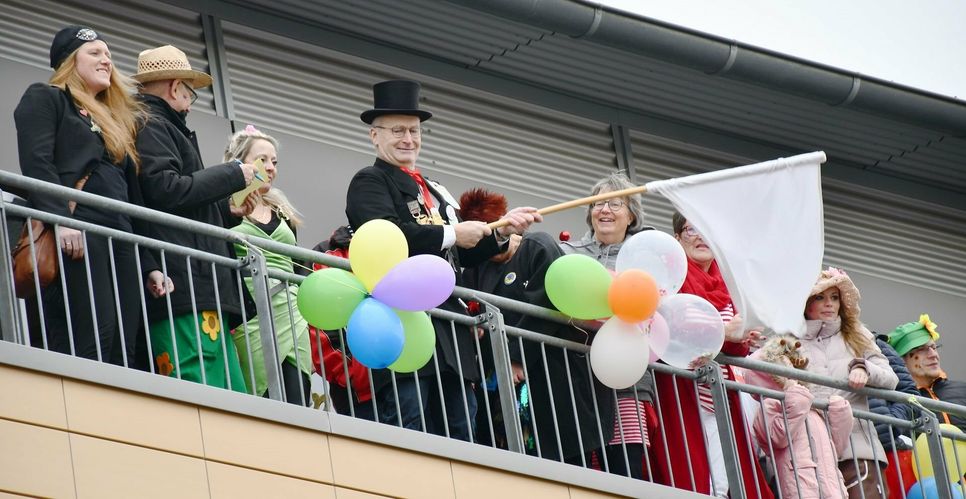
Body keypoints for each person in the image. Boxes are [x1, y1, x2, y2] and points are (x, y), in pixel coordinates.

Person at [344, 80, 540, 441]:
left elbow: (462, 252)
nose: (408, 139)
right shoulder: (369, 181)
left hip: (449, 326)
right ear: (375, 137)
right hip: (402, 318)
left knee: (461, 424)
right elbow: (385, 236)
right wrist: (453, 234)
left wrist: (500, 232)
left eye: (414, 130)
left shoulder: (432, 187)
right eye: (398, 130)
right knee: (412, 421)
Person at [14, 26, 146, 364]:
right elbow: (38, 164)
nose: (107, 61)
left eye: (109, 56)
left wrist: (151, 264)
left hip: (121, 235)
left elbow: (133, 196)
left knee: (124, 345)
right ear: (71, 61)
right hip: (80, 230)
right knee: (92, 338)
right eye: (96, 53)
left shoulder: (117, 119)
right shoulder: (47, 97)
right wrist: (62, 220)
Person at [133, 44, 256, 392]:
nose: (189, 105)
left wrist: (226, 211)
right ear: (174, 88)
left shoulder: (157, 124)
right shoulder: (152, 124)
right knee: (197, 379)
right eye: (190, 95)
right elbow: (166, 189)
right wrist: (232, 175)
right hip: (184, 281)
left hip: (196, 283)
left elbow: (181, 197)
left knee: (222, 383)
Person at [460, 187, 614, 461]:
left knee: (564, 458)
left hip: (552, 373)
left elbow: (548, 304)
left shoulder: (539, 246)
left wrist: (517, 357)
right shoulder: (476, 267)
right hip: (498, 382)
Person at [668, 212, 773, 498]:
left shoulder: (727, 284)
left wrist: (742, 337)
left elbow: (732, 347)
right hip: (683, 390)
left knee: (726, 476)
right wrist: (724, 331)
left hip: (719, 393)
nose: (701, 237)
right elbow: (672, 325)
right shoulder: (673, 274)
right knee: (696, 475)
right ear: (677, 238)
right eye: (691, 230)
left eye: (707, 230)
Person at [558, 173, 656, 479]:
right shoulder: (567, 254)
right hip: (575, 379)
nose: (605, 210)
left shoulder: (647, 257)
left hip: (625, 383)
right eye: (597, 203)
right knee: (583, 477)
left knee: (624, 471)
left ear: (632, 215)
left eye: (615, 204)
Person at [224, 125, 313, 405]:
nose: (271, 168)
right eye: (263, 160)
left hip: (291, 312)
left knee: (297, 394)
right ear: (241, 164)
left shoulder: (282, 212)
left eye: (275, 162)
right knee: (259, 397)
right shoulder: (225, 208)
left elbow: (299, 265)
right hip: (250, 313)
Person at [799, 267, 898, 499]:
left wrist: (864, 368)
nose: (829, 304)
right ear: (805, 304)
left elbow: (891, 378)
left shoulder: (856, 333)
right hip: (810, 449)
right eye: (820, 297)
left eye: (834, 298)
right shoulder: (790, 340)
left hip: (858, 447)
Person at [745, 334, 853, 499]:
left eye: (794, 367)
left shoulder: (810, 406)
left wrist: (840, 413)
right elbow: (779, 437)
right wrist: (796, 396)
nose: (792, 373)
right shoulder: (770, 405)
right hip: (801, 489)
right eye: (784, 366)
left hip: (833, 489)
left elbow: (837, 446)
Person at [889, 314, 966, 433]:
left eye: (934, 347)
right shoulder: (897, 402)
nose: (933, 354)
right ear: (901, 360)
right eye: (922, 349)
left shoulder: (962, 389)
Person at [868, 331, 919, 496]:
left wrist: (889, 423)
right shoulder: (800, 344)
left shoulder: (874, 343)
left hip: (888, 452)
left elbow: (911, 396)